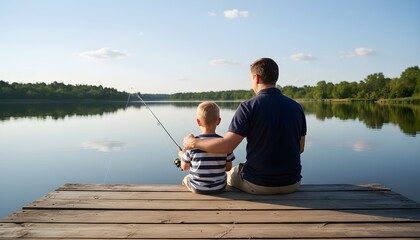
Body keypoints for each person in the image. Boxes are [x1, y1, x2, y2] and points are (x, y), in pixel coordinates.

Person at [183, 58, 306, 194]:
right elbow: (300, 148)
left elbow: (227, 146)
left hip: (258, 184)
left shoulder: (248, 107)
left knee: (230, 174)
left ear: (257, 78)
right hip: (293, 183)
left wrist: (193, 142)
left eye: (251, 78)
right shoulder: (296, 107)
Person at [178, 101, 235, 194]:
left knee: (186, 178)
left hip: (198, 188)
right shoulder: (224, 143)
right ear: (219, 121)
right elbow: (228, 168)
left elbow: (184, 167)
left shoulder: (192, 144)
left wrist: (182, 155)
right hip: (219, 187)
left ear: (198, 122)